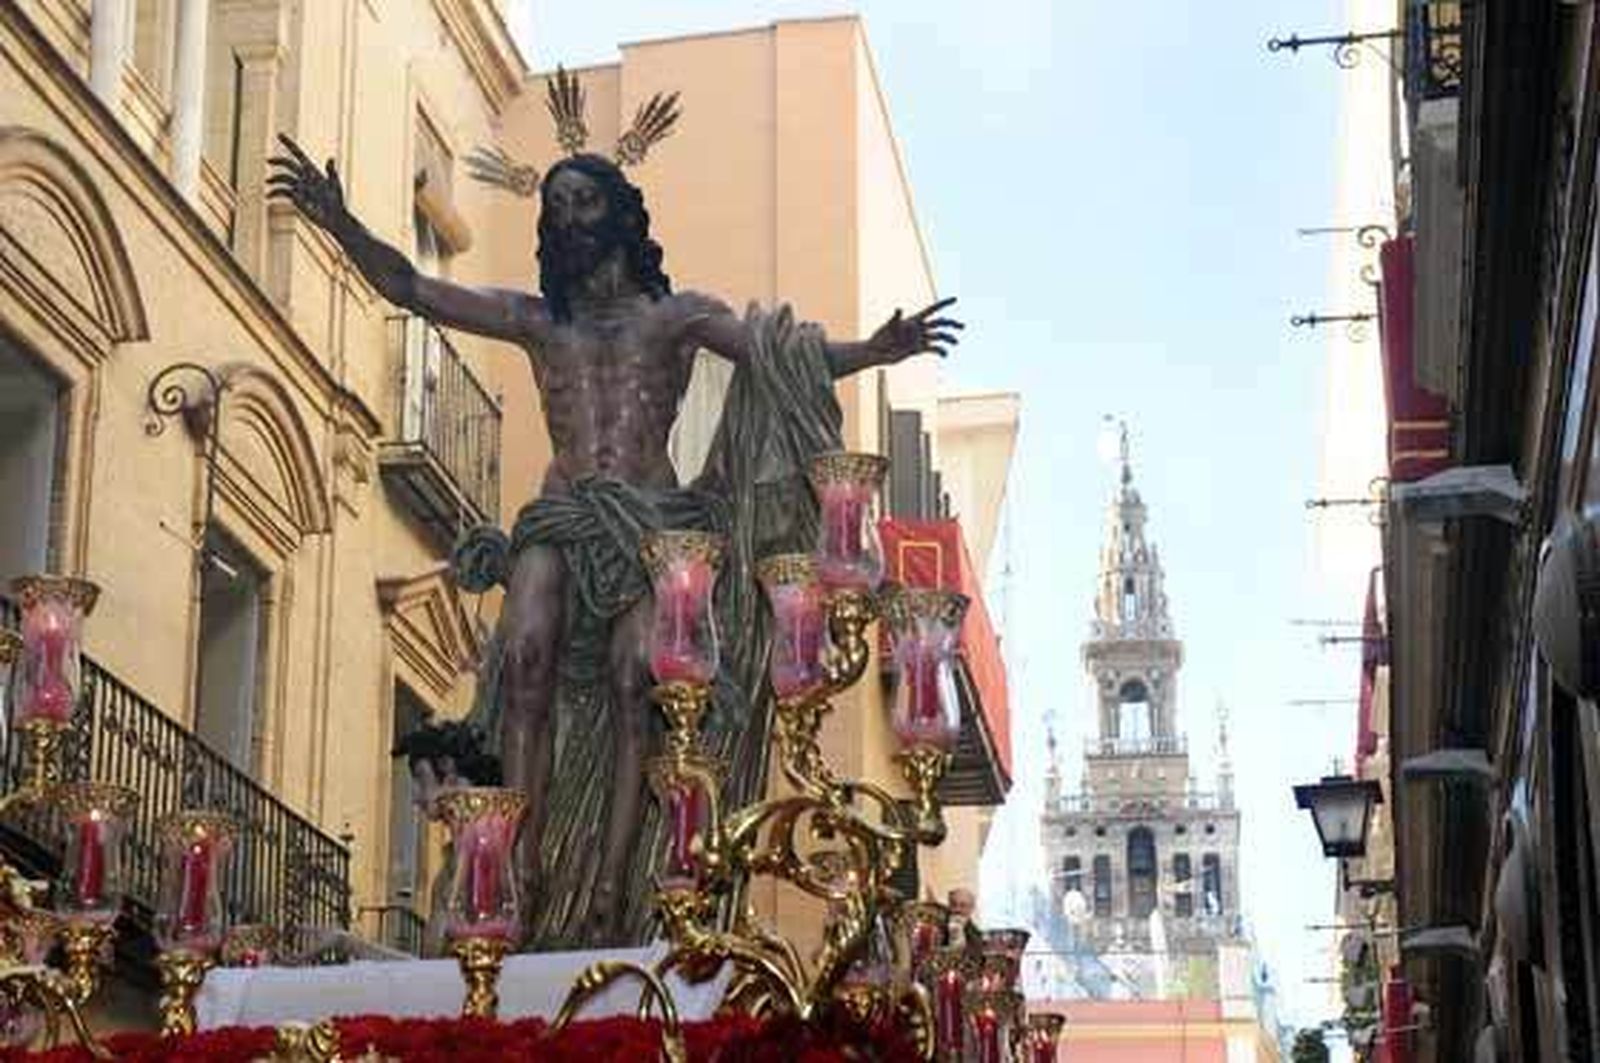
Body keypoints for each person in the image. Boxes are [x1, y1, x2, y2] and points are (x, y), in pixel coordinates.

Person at [269, 136, 961, 945]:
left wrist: (875, 351)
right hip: (560, 514)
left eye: (584, 202)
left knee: (642, 682)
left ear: (622, 216)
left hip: (652, 525)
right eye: (555, 207)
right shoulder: (535, 320)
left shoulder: (674, 317)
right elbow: (414, 286)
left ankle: (611, 882)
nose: (569, 219)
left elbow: (778, 357)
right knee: (524, 653)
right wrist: (342, 224)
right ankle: (519, 860)